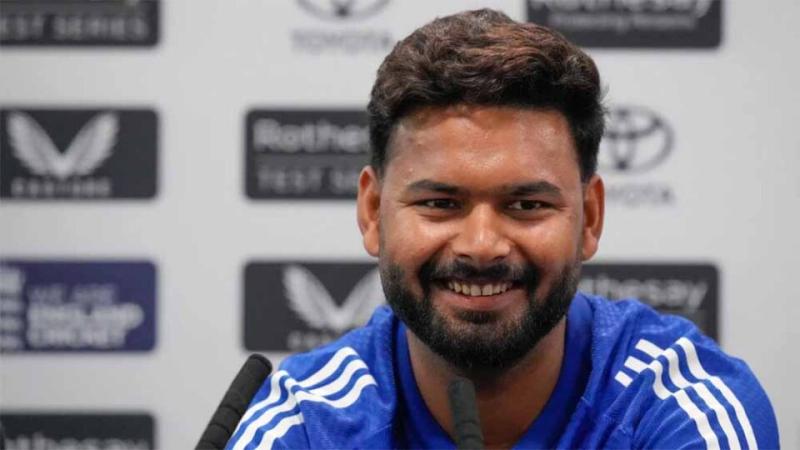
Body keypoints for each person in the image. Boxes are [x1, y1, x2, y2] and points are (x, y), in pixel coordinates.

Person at [226, 9, 779, 450]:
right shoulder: (305, 423)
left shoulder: (679, 407)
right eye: (440, 203)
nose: (481, 246)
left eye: (527, 205)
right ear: (372, 213)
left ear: (590, 217)